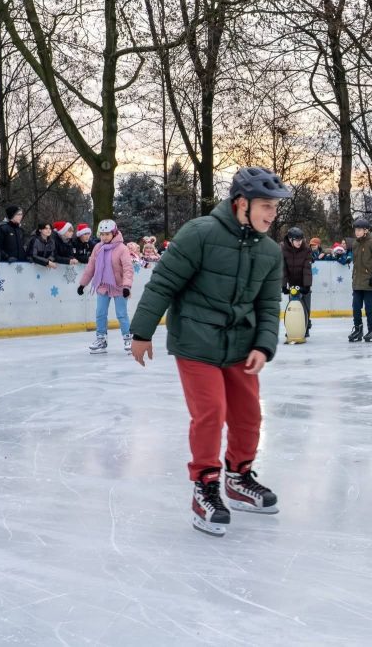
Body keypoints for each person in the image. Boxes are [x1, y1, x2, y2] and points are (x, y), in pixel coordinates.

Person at [128, 166, 288, 537]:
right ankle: (206, 485)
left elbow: (267, 305)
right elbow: (164, 281)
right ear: (241, 203)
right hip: (196, 342)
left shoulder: (269, 251)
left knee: (249, 415)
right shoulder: (200, 233)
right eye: (266, 206)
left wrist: (264, 345)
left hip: (239, 346)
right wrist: (142, 330)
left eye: (274, 208)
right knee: (211, 412)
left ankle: (239, 477)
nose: (271, 215)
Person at [78, 220, 134, 354]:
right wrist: (83, 283)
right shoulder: (98, 247)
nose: (104, 237)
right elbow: (91, 266)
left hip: (119, 286)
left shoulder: (122, 248)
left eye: (107, 234)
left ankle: (128, 338)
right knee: (100, 313)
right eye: (102, 234)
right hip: (102, 286)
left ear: (114, 233)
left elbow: (128, 269)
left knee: (121, 314)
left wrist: (127, 286)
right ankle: (101, 340)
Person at [347, 218, 372, 342]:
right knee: (356, 307)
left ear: (366, 230)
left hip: (370, 281)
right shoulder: (355, 244)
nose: (357, 232)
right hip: (358, 282)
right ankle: (358, 330)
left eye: (359, 230)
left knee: (369, 309)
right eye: (355, 230)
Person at [282, 226, 313, 336]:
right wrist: (284, 285)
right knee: (293, 307)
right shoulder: (284, 249)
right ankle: (292, 327)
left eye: (301, 240)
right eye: (297, 240)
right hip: (292, 284)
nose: (299, 242)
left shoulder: (306, 250)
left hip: (304, 282)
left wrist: (307, 286)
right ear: (290, 240)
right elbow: (283, 269)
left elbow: (307, 269)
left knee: (305, 305)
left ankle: (306, 327)